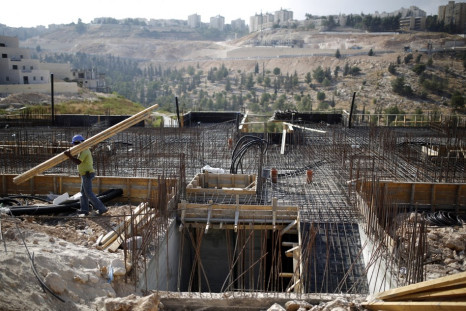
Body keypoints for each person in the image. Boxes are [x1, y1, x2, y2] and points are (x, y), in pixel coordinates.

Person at [64, 134, 108, 216]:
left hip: (87, 174)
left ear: (79, 143)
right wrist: (80, 172)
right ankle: (84, 210)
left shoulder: (84, 151)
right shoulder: (82, 150)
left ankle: (102, 208)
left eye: (75, 144)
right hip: (84, 174)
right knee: (83, 193)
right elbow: (83, 164)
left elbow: (78, 162)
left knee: (88, 193)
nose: (74, 146)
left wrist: (69, 155)